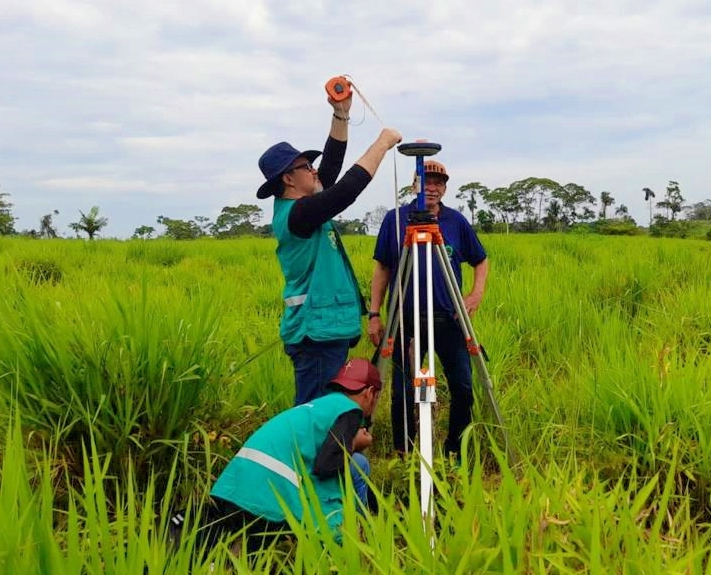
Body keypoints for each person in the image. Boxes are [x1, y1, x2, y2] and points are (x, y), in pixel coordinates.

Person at [256, 89, 402, 405]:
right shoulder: (298, 215)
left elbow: (331, 169)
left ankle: (331, 455)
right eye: (305, 166)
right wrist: (382, 143)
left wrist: (341, 114)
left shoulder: (303, 206)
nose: (313, 170)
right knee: (316, 416)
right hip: (315, 334)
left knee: (325, 412)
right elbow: (345, 190)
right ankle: (309, 457)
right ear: (288, 179)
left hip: (324, 331)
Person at [183, 357, 382, 554]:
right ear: (370, 393)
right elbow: (326, 468)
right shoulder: (351, 411)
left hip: (236, 485)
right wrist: (340, 538)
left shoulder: (320, 407)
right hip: (267, 497)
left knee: (235, 557)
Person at [367, 159, 489, 459]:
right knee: (403, 392)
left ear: (445, 188)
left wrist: (475, 295)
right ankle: (404, 453)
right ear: (414, 185)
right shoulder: (395, 220)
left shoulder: (456, 222)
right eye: (425, 181)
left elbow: (480, 260)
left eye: (438, 183)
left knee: (462, 387)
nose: (432, 188)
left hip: (448, 319)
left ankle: (454, 451)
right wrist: (374, 314)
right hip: (405, 320)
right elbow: (382, 267)